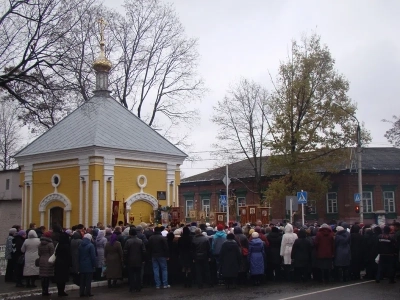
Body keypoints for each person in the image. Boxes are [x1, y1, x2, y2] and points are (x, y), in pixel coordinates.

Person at [123, 228, 146, 292]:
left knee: (131, 275)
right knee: (138, 274)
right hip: (139, 260)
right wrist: (143, 259)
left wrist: (125, 259)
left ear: (130, 234)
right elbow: (144, 251)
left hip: (130, 261)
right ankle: (138, 287)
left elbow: (125, 251)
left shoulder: (128, 241)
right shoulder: (140, 241)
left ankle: (132, 287)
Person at [52, 225, 71, 297]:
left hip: (58, 262)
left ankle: (59, 290)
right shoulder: (66, 246)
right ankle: (62, 291)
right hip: (64, 263)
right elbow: (69, 255)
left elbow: (56, 253)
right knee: (63, 278)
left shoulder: (58, 245)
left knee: (59, 277)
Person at [38, 231, 54, 296]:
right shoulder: (50, 244)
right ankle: (46, 290)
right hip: (48, 260)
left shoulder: (40, 244)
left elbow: (39, 253)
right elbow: (52, 253)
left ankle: (43, 290)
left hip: (42, 260)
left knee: (43, 276)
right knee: (47, 277)